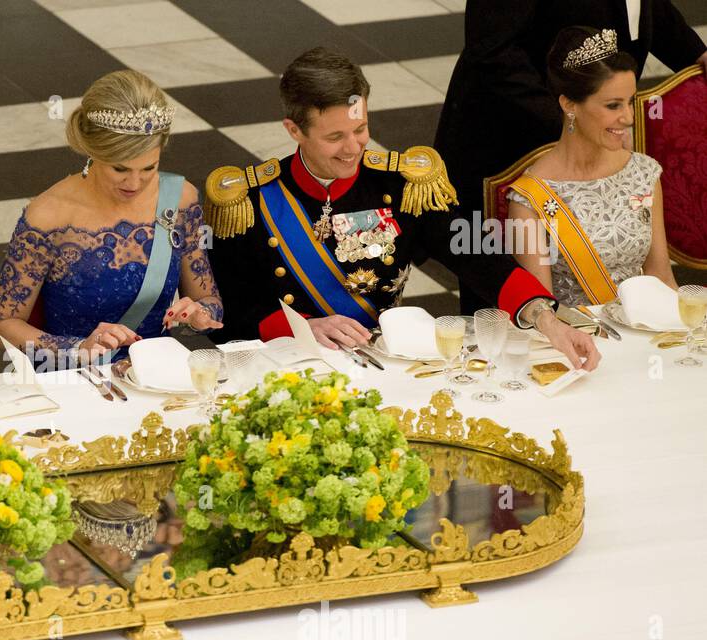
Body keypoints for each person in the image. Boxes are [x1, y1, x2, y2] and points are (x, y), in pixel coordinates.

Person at [203, 47, 602, 371]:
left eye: (360, 130)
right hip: (289, 366)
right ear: (294, 130)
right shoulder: (248, 203)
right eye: (335, 137)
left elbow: (478, 255)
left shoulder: (403, 187)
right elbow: (230, 311)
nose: (353, 148)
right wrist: (305, 329)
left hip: (384, 364)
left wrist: (545, 318)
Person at [0, 70, 222, 371]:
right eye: (120, 169)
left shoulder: (179, 198)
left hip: (155, 375)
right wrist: (79, 348)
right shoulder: (49, 216)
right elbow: (0, 326)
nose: (135, 183)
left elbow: (208, 298)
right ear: (92, 152)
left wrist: (199, 313)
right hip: (74, 379)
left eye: (149, 168)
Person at [435, 0, 707, 206]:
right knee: (509, 271)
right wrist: (573, 123)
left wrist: (696, 53)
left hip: (590, 134)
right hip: (514, 136)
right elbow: (492, 50)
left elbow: (640, 7)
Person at [507, 27, 677, 305]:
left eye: (630, 102)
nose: (628, 118)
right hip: (578, 341)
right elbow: (542, 311)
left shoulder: (644, 173)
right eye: (613, 106)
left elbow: (662, 277)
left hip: (646, 334)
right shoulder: (529, 199)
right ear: (569, 105)